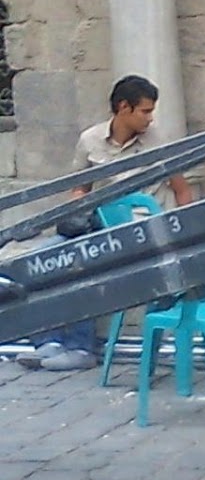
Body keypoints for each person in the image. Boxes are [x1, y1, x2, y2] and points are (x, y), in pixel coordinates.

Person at [20, 75, 194, 373]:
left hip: (143, 234)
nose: (150, 118)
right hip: (99, 226)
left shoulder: (158, 142)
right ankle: (48, 341)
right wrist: (79, 212)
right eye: (145, 111)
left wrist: (183, 232)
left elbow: (182, 189)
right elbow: (79, 188)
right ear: (124, 107)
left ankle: (80, 347)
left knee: (87, 264)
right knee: (40, 259)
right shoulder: (90, 140)